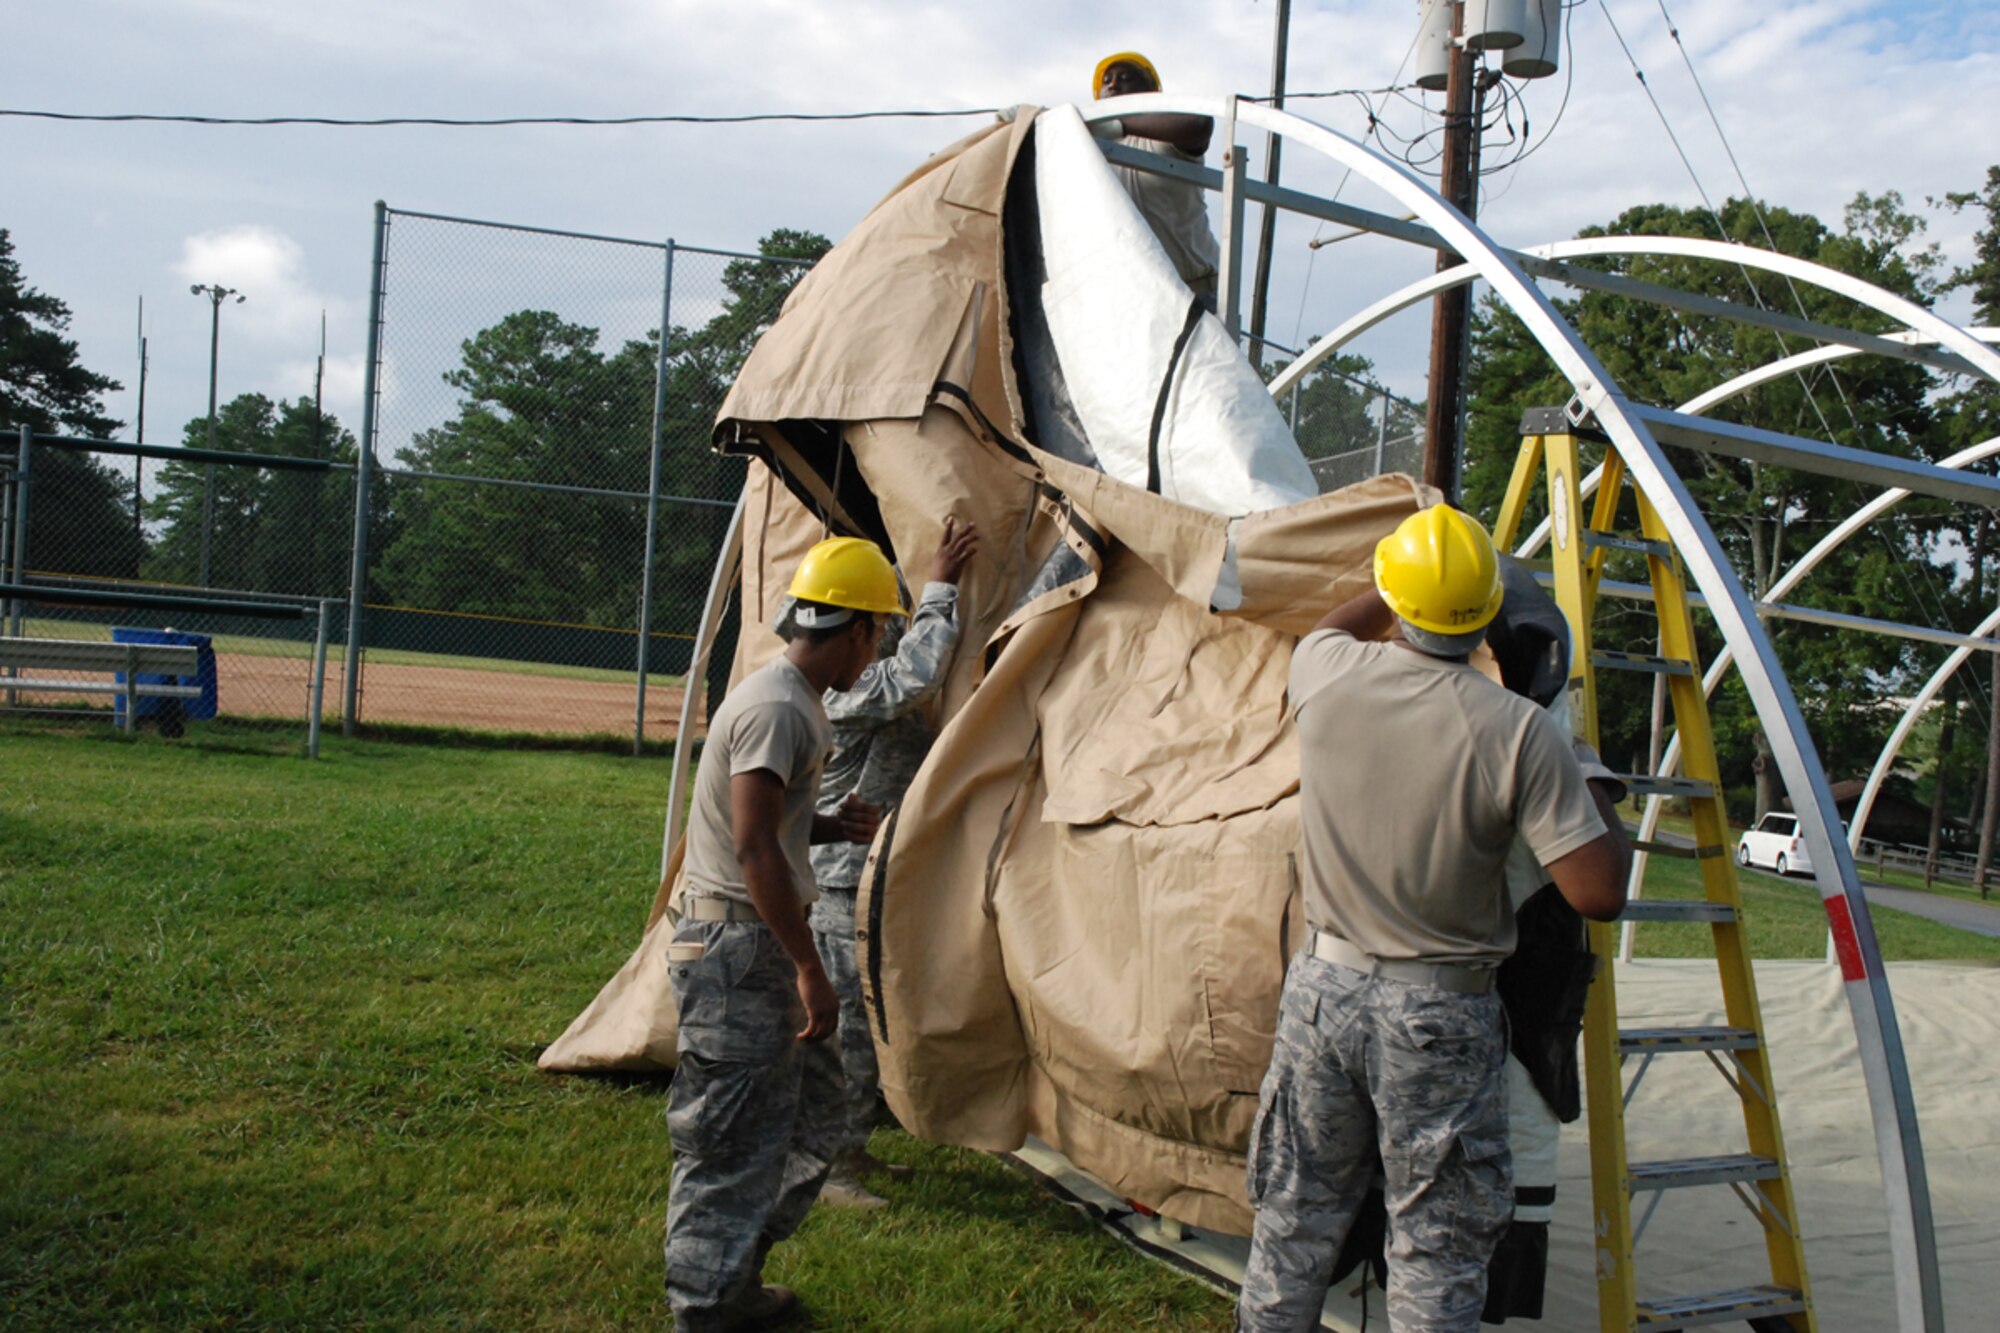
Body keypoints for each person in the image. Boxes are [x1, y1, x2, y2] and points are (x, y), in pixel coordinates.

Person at [1236, 506, 1631, 1332]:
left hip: (1323, 991)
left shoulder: (1327, 673)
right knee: (1436, 1248)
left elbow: (1340, 623)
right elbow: (1596, 892)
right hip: (1440, 1015)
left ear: (1393, 597)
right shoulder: (1522, 733)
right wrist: (1583, 771)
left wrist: (1393, 586)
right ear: (1490, 612)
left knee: (1293, 1221)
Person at [662, 536, 904, 1332]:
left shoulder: (792, 699)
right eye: (880, 635)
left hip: (754, 940)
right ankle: (707, 1306)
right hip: (741, 952)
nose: (877, 654)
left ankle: (732, 1270)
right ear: (858, 629)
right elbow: (752, 845)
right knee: (728, 1136)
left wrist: (827, 823)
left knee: (811, 1113)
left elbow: (773, 827)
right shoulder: (775, 707)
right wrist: (808, 965)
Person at [811, 516, 979, 1209]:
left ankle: (851, 1145)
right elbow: (918, 670)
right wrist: (940, 584)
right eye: (879, 621)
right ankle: (830, 1167)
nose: (886, 630)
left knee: (865, 1021)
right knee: (846, 1028)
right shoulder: (845, 691)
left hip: (868, 878)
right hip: (842, 886)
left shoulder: (856, 675)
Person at [1092, 51, 1222, 311]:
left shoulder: (1164, 139)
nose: (1113, 85)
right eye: (1106, 81)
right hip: (1132, 300)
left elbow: (1198, 124)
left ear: (1151, 93)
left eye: (1126, 78)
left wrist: (1118, 124)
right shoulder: (1092, 151)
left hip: (1193, 292)